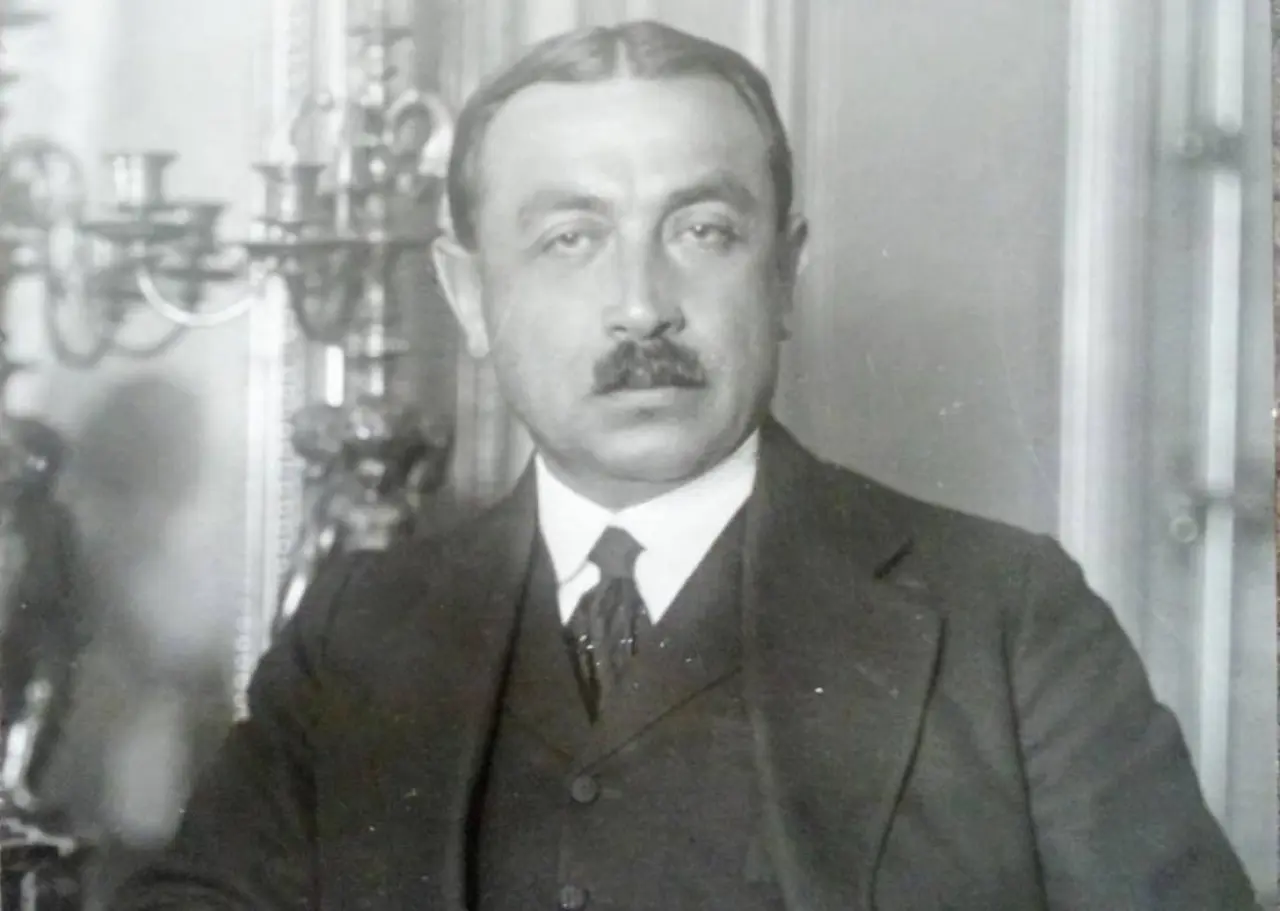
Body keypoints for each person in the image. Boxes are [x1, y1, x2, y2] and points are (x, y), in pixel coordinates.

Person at [111, 20, 1260, 911]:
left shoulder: (1004, 617)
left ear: (782, 273)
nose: (640, 304)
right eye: (569, 238)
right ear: (466, 295)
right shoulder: (359, 634)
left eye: (701, 229)